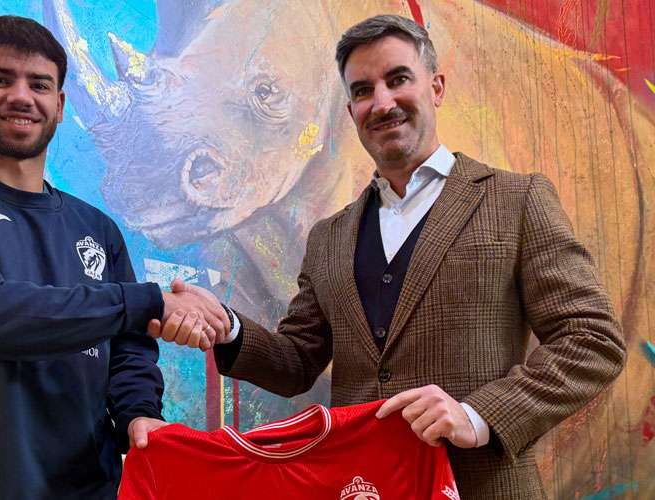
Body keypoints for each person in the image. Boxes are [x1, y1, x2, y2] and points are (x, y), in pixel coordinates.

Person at [150, 14, 626, 500]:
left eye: (397, 79)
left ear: (435, 87)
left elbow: (591, 341)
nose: (382, 103)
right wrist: (226, 326)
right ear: (350, 110)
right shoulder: (330, 237)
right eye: (361, 90)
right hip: (361, 488)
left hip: (482, 487)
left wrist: (478, 415)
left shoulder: (516, 200)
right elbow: (296, 363)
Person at [0, 15, 227, 500]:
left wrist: (139, 412)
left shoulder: (97, 229)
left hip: (89, 487)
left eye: (39, 84)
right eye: (0, 79)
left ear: (61, 104)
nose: (21, 96)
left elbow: (128, 346)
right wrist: (149, 303)